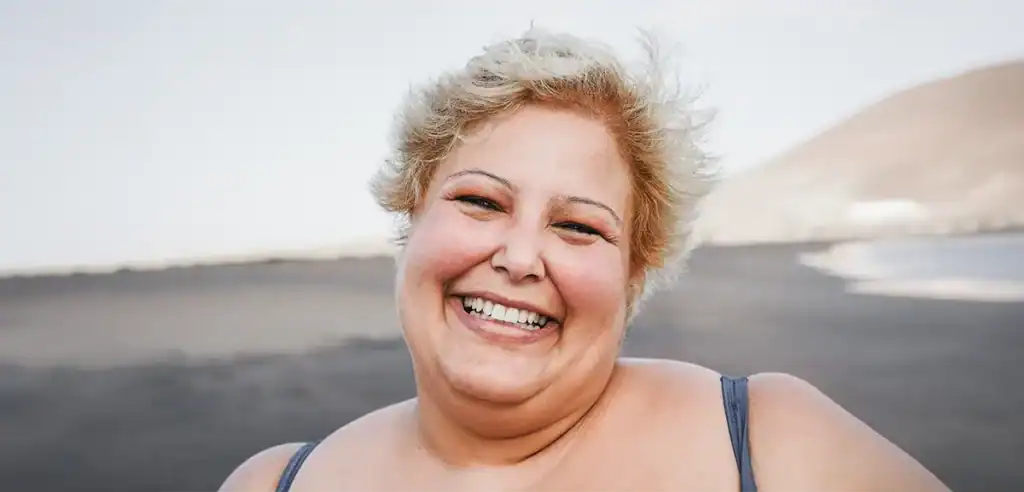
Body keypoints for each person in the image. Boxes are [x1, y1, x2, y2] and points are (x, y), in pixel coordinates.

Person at [219, 27, 950, 492]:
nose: (519, 256)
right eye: (481, 202)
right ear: (414, 214)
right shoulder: (274, 483)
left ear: (636, 271)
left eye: (577, 226)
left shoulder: (771, 440)